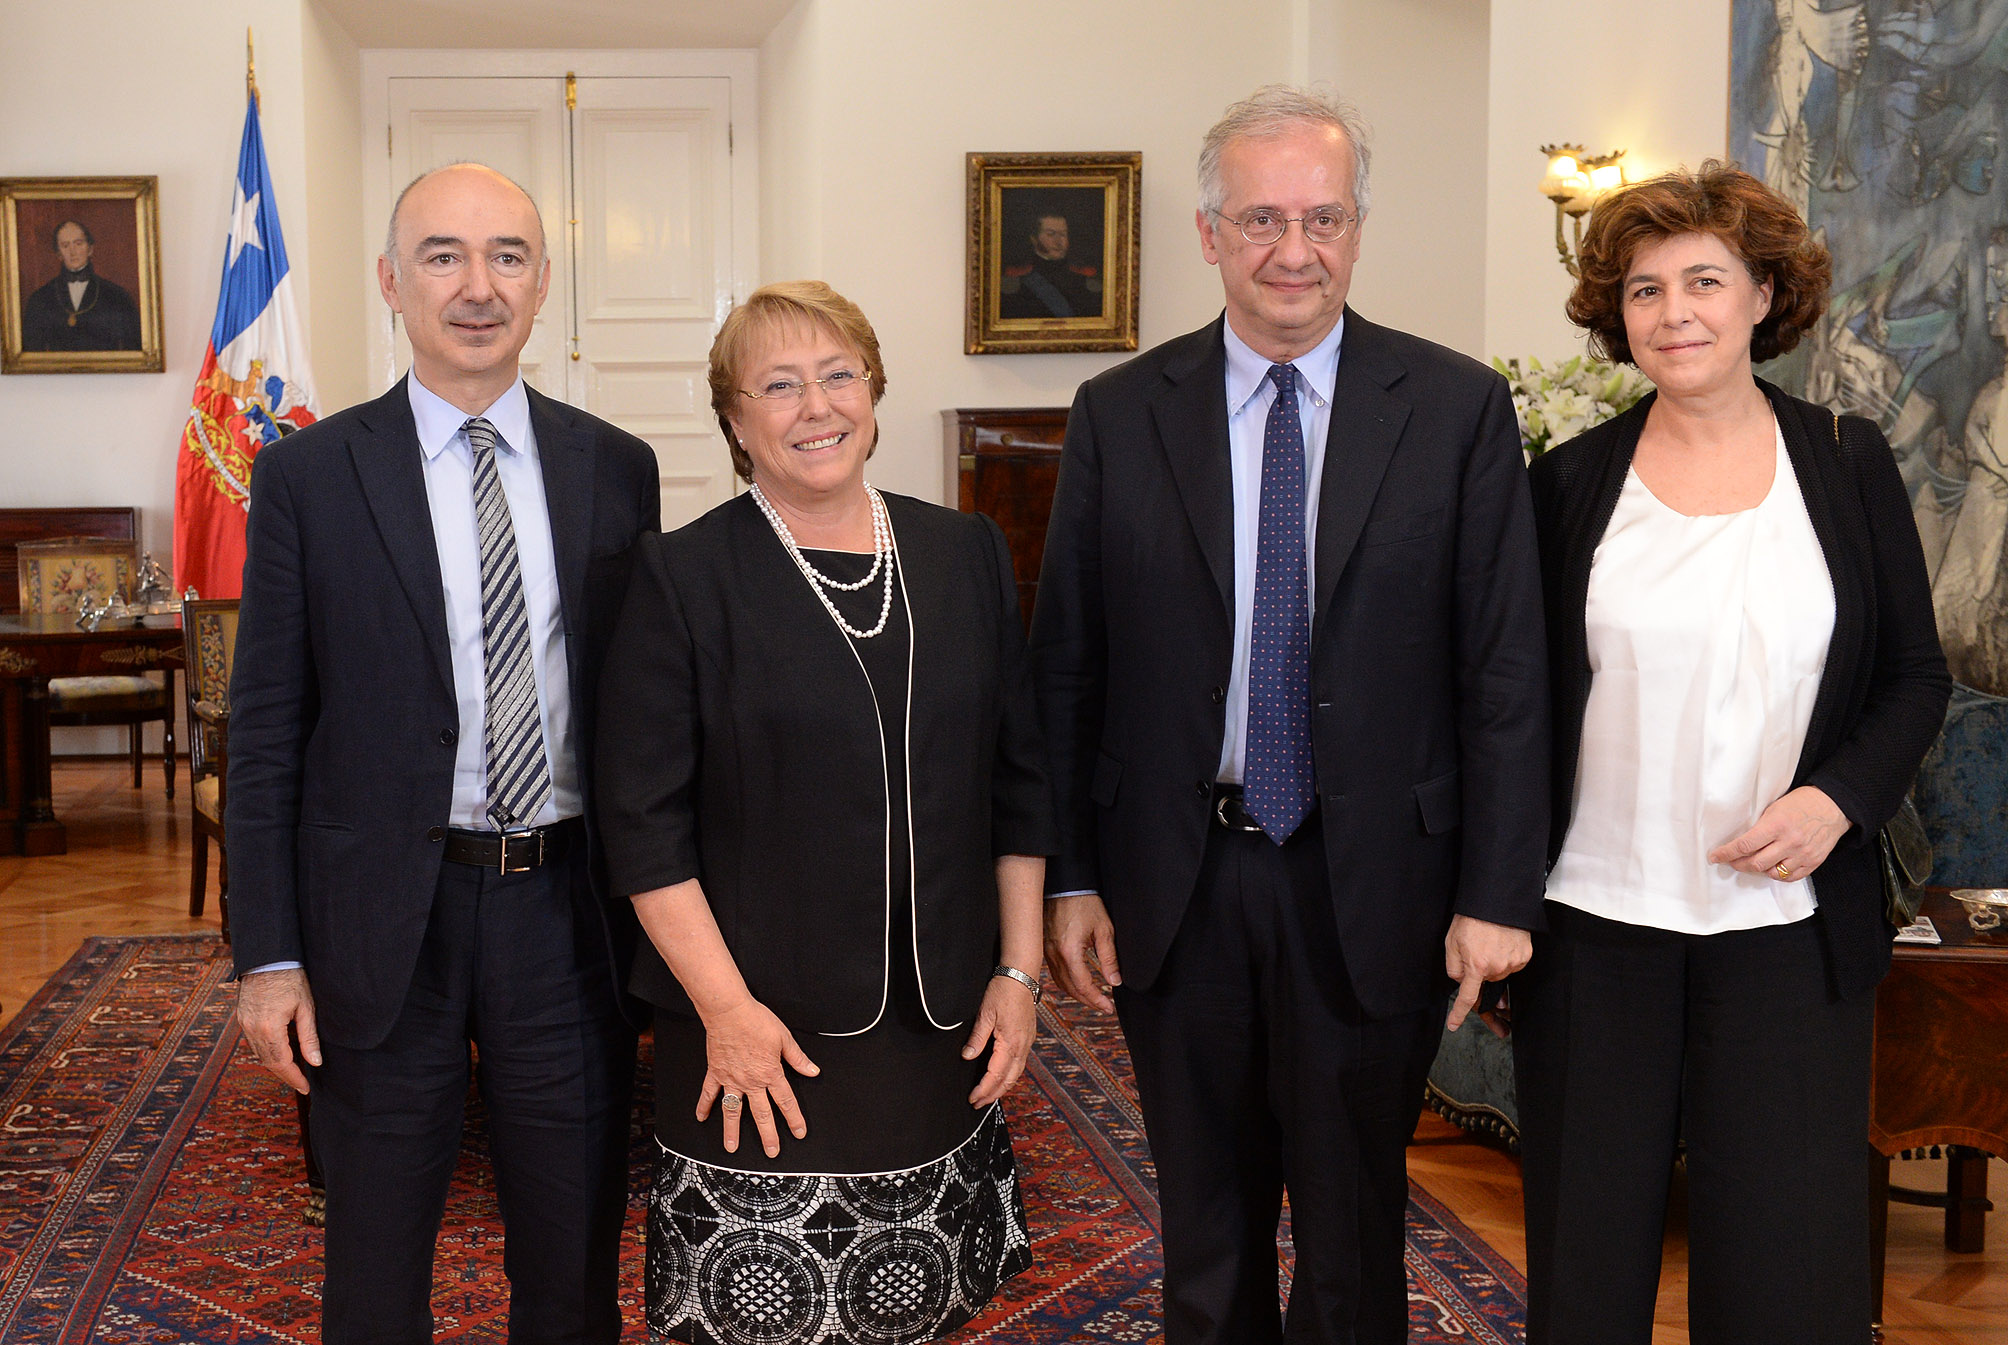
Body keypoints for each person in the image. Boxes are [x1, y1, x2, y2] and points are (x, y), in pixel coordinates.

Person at [1030, 85, 1550, 1345]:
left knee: (1352, 1222)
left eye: (1321, 217)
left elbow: (1504, 670)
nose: (1293, 250)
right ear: (1208, 235)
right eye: (1260, 218)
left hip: (1375, 878)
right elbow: (1066, 667)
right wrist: (1073, 878)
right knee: (1202, 1223)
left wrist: (1495, 893)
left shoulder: (1455, 408)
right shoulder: (1119, 412)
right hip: (1180, 874)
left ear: (1358, 229)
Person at [1513, 162, 1953, 1344]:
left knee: (1786, 1278)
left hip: (1787, 931)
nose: (1675, 314)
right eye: (1644, 291)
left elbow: (1915, 674)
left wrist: (1836, 801)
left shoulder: (1849, 462)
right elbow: (1511, 707)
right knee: (1583, 1274)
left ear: (1764, 294)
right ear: (1619, 315)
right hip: (1593, 926)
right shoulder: (1565, 485)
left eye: (1704, 281)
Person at [229, 163, 661, 1344]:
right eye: (443, 256)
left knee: (573, 1261)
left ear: (543, 282)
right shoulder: (308, 477)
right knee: (372, 1261)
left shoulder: (617, 469)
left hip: (565, 910)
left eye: (507, 256)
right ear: (390, 282)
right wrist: (266, 955)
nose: (479, 287)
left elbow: (646, 718)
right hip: (376, 919)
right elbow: (264, 730)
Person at [595, 280, 1054, 1345]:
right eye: (780, 385)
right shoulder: (683, 575)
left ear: (875, 391)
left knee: (924, 1299)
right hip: (761, 1030)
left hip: (941, 1024)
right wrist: (725, 1011)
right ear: (736, 419)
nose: (816, 406)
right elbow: (644, 825)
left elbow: (1018, 783)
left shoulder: (965, 554)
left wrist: (1019, 973)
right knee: (763, 1313)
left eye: (838, 374)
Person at [21, 219, 142, 351]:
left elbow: (133, 348)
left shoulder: (117, 296)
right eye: (65, 245)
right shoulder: (40, 299)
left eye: (78, 244)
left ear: (90, 249)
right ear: (58, 253)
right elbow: (31, 351)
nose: (73, 252)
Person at [1000, 211, 1101, 319]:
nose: (1058, 241)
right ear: (1034, 239)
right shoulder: (1016, 279)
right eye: (1050, 234)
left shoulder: (1085, 277)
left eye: (1063, 234)